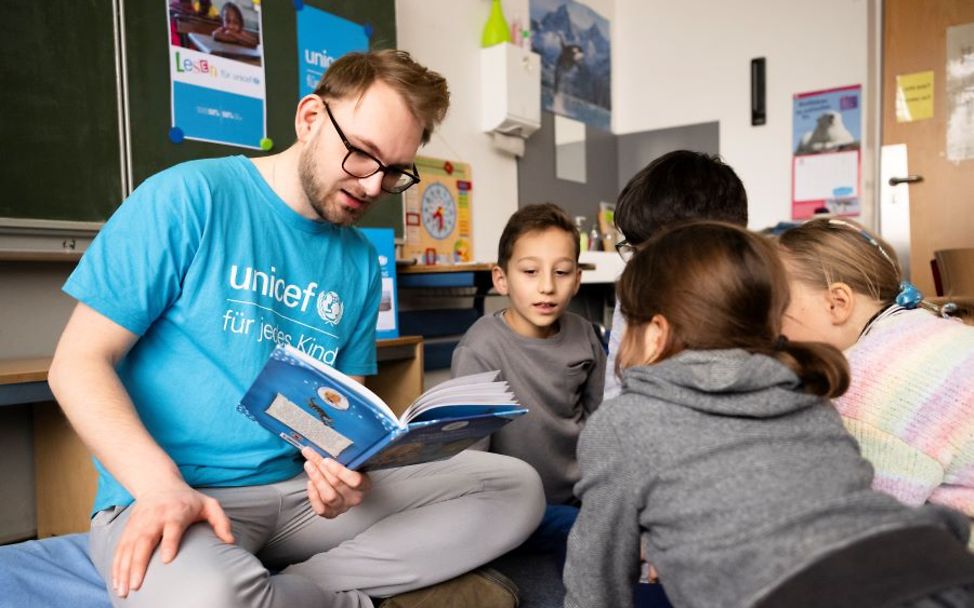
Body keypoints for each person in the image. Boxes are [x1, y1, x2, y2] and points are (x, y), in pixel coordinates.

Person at [48, 50, 544, 608]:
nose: (373, 184)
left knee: (514, 487)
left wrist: (341, 473)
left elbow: (336, 416)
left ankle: (291, 592)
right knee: (210, 598)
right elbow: (77, 363)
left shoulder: (358, 264)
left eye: (395, 171)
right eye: (362, 154)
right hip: (172, 496)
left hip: (297, 501)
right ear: (309, 117)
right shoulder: (189, 197)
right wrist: (159, 485)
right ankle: (336, 598)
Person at [564, 221, 974, 608]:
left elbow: (596, 574)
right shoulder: (810, 393)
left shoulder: (625, 422)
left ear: (655, 333)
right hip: (932, 566)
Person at [778, 217, 974, 547]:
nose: (773, 329)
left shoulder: (869, 389)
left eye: (777, 307)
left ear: (837, 303)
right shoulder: (918, 323)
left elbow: (874, 527)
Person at [451, 202, 606, 558]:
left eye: (562, 272)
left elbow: (605, 423)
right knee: (605, 539)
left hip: (581, 496)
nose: (548, 287)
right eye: (531, 271)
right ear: (501, 278)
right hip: (513, 506)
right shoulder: (479, 349)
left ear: (578, 279)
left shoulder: (584, 335)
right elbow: (469, 463)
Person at [603, 150, 748, 401]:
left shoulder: (752, 294)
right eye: (636, 252)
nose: (642, 269)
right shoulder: (634, 287)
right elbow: (616, 385)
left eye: (652, 254)